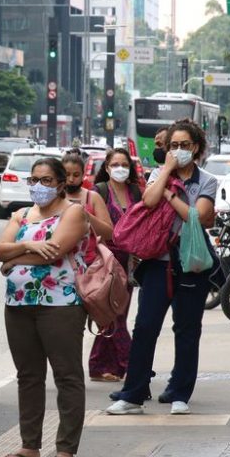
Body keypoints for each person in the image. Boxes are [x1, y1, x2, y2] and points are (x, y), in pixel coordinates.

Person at [106, 119, 218, 416]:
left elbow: (200, 217)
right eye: (173, 146)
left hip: (192, 263)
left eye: (184, 145)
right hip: (157, 263)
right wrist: (167, 172)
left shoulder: (206, 181)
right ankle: (133, 393)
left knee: (187, 328)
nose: (179, 151)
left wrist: (171, 195)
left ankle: (179, 393)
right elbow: (148, 199)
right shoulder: (158, 173)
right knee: (144, 327)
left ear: (196, 148)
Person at [0, 157, 88, 457]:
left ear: (61, 184)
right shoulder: (21, 214)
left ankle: (65, 448)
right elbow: (0, 250)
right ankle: (29, 446)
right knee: (29, 376)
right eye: (34, 180)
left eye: (47, 180)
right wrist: (33, 248)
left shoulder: (73, 211)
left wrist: (14, 259)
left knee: (67, 375)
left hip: (60, 305)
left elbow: (57, 251)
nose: (38, 186)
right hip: (19, 304)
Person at [87, 147, 141, 382]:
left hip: (129, 261)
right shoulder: (99, 191)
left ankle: (104, 366)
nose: (120, 168)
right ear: (107, 168)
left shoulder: (136, 192)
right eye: (115, 164)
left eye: (124, 164)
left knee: (118, 314)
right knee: (112, 314)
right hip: (106, 260)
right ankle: (131, 362)